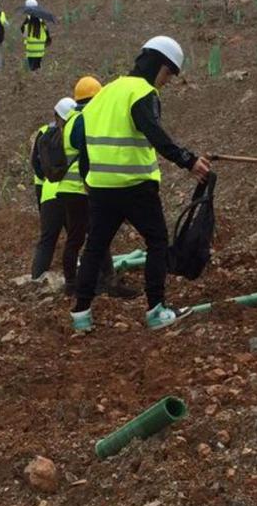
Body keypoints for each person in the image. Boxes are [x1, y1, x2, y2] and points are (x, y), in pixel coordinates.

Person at [70, 36, 211, 332]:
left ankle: (81, 314)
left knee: (95, 248)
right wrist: (188, 160)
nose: (168, 81)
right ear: (160, 66)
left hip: (100, 188)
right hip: (135, 186)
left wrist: (89, 181)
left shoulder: (105, 93)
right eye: (169, 73)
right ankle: (157, 310)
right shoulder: (142, 92)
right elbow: (154, 133)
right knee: (157, 242)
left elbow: (82, 142)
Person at [58, 76, 135, 298]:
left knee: (85, 235)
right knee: (91, 236)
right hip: (80, 187)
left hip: (71, 188)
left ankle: (83, 283)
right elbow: (90, 153)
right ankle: (91, 283)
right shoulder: (86, 119)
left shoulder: (72, 118)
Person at [31, 97, 78, 279]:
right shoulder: (76, 130)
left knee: (47, 241)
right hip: (73, 193)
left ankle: (37, 279)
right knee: (77, 240)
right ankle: (78, 281)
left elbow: (36, 164)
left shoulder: (43, 132)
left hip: (49, 194)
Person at [21, 0, 50, 72]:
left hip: (30, 51)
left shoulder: (27, 25)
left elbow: (24, 35)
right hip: (40, 51)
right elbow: (47, 35)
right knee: (38, 68)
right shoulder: (42, 23)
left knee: (31, 69)